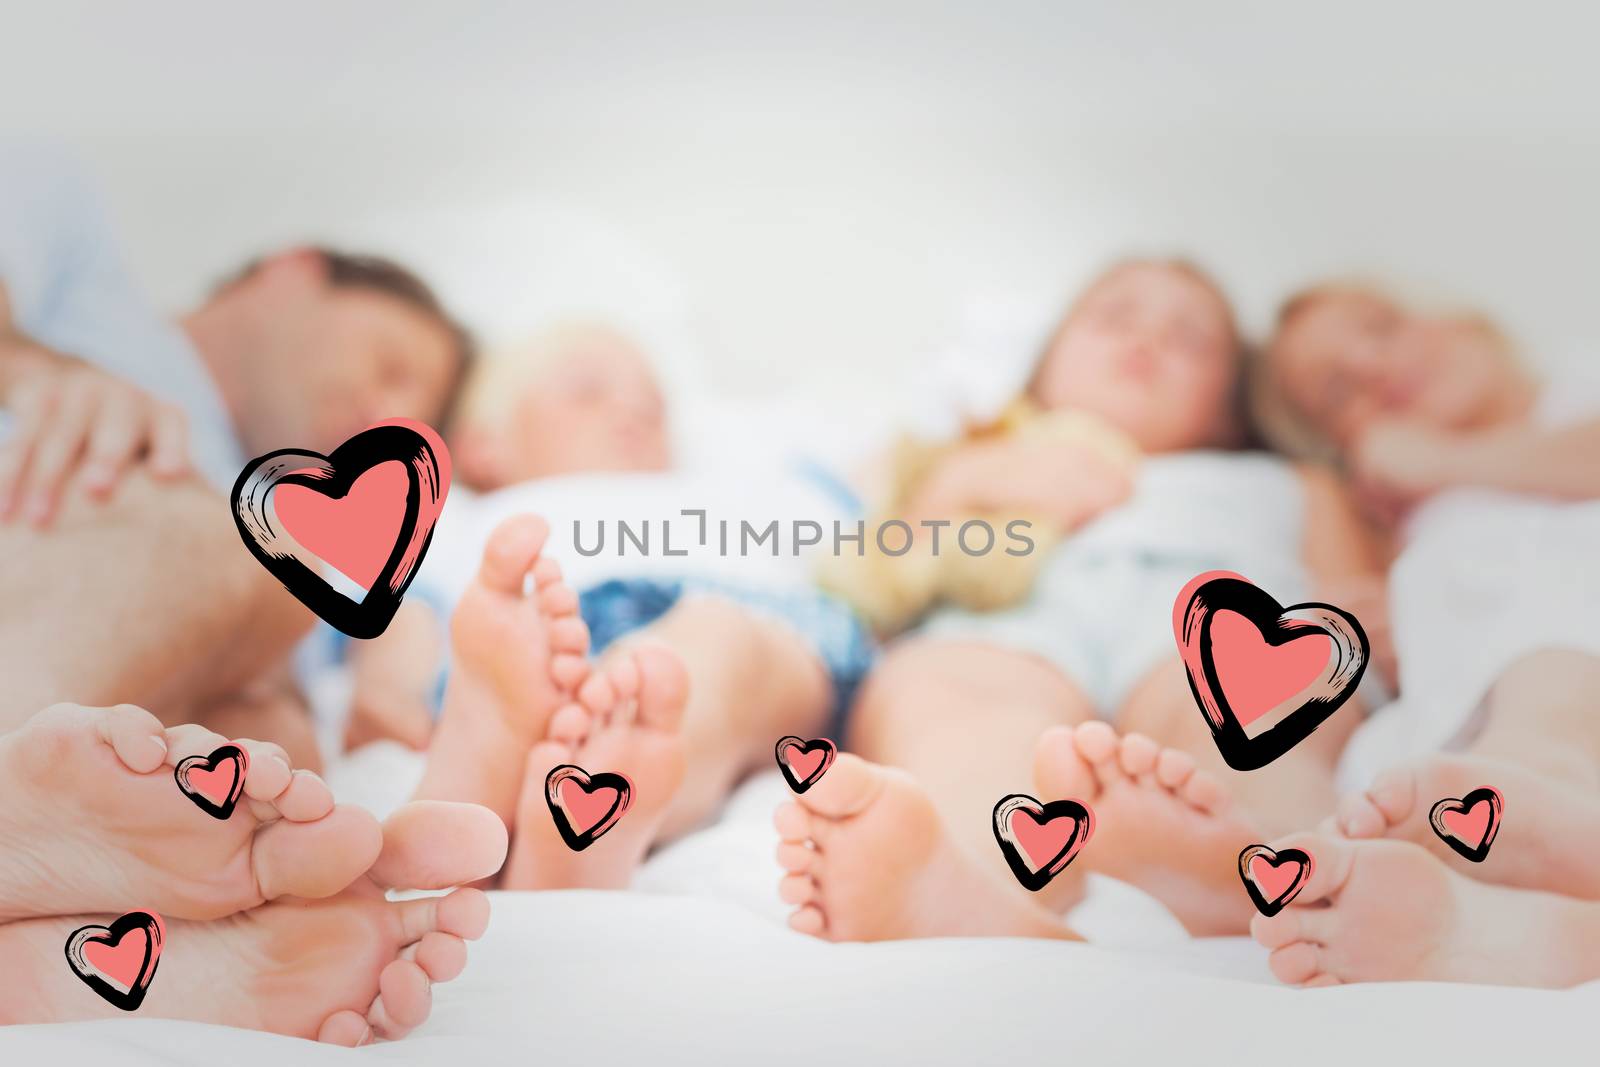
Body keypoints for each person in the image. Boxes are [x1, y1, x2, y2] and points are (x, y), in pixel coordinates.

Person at [769, 259, 1384, 942]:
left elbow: (1354, 606)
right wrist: (976, 479)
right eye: (1113, 317)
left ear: (1230, 404)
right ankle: (977, 884)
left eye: (1190, 338)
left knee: (1260, 714)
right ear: (1043, 367)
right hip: (1012, 620)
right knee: (961, 703)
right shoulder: (974, 452)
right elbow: (870, 575)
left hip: (1221, 623)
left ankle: (1265, 865)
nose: (1145, 341)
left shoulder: (1286, 481)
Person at [353, 320, 872, 890]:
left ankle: (589, 770)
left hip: (745, 617)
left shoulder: (737, 490)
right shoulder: (458, 514)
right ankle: (520, 776)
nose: (632, 409)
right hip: (541, 627)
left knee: (707, 651)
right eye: (587, 392)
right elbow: (402, 608)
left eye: (654, 405)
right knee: (509, 656)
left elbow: (878, 498)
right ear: (483, 447)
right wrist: (389, 688)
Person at [0, 145, 473, 758]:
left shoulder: (287, 538)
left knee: (279, 742)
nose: (384, 420)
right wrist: (32, 372)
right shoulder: (78, 248)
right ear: (294, 268)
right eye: (390, 364)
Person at [1242, 282, 1600, 987]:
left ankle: (1544, 780)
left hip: (1549, 716)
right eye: (1339, 391)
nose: (1374, 367)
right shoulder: (1410, 527)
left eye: (1381, 325)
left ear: (1458, 318)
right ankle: (1553, 932)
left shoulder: (1579, 377)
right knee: (1383, 765)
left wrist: (1439, 460)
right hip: (1480, 724)